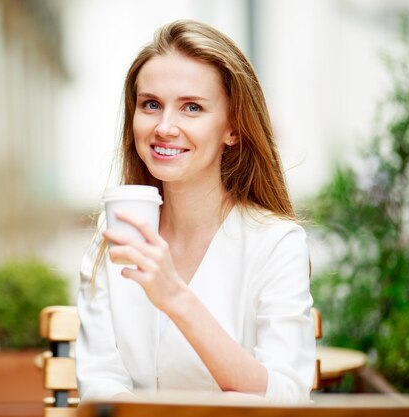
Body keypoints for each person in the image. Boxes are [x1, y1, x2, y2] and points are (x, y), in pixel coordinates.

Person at [75, 20, 315, 404]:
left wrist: (176, 298)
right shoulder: (114, 234)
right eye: (151, 104)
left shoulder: (276, 244)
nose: (165, 127)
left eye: (192, 107)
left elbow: (286, 397)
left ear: (232, 128)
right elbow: (100, 382)